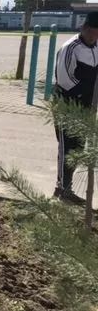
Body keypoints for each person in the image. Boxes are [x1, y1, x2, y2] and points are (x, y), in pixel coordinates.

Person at [52, 11, 98, 204]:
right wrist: (85, 94)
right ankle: (62, 190)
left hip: (87, 105)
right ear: (85, 28)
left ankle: (66, 189)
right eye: (94, 32)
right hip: (68, 104)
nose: (95, 36)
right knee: (67, 147)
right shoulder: (71, 48)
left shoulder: (96, 47)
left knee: (79, 147)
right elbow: (65, 79)